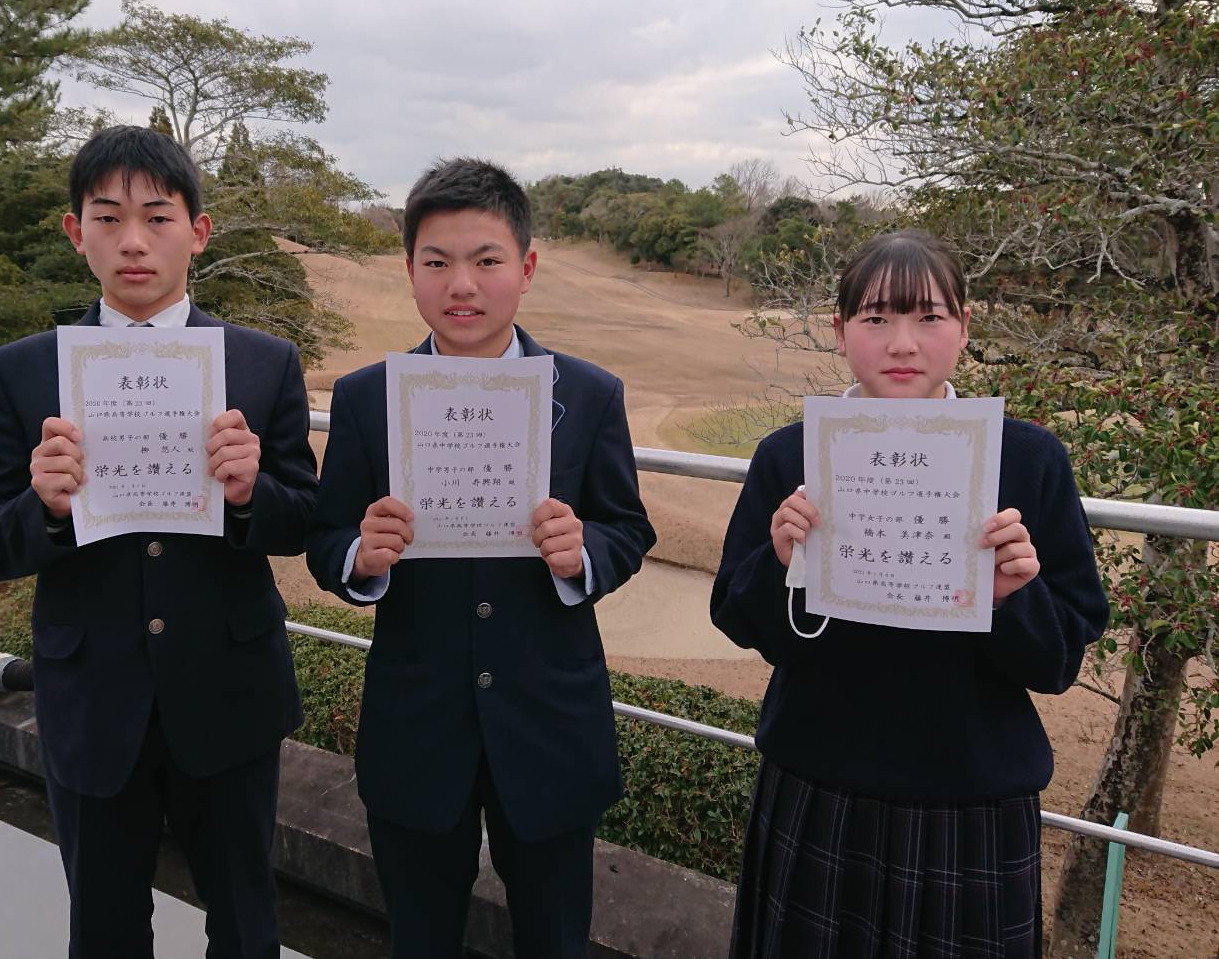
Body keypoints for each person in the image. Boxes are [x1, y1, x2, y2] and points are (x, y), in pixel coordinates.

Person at [0, 126, 316, 959]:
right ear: (72, 230)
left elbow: (302, 520)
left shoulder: (263, 364)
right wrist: (44, 505)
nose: (131, 241)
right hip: (91, 697)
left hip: (229, 690)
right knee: (107, 926)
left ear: (197, 231)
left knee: (245, 918)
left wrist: (247, 492)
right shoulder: (19, 370)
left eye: (157, 217)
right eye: (107, 216)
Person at [711, 229, 1108, 959]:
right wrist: (777, 561)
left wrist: (1011, 596)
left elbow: (1057, 663)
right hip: (819, 781)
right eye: (874, 318)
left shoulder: (1028, 460)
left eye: (928, 317)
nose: (902, 343)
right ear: (839, 332)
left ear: (964, 328)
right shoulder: (787, 454)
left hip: (971, 797)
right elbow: (739, 622)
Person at [306, 158, 656, 959]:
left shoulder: (589, 393)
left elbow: (627, 528)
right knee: (420, 938)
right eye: (436, 262)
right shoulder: (366, 397)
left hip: (549, 725)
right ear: (409, 271)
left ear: (525, 269)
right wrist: (364, 553)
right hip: (415, 726)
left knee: (555, 941)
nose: (460, 284)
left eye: (486, 260)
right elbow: (326, 539)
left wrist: (583, 554)